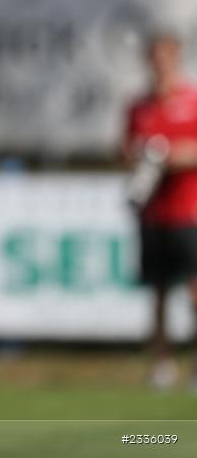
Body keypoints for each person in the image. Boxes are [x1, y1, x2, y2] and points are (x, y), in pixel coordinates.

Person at [124, 32, 197, 391]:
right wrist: (141, 155)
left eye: (166, 57)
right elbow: (124, 149)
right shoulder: (139, 106)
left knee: (195, 289)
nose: (160, 65)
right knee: (159, 292)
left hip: (189, 211)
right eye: (154, 58)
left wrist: (173, 155)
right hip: (153, 214)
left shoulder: (192, 101)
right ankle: (162, 363)